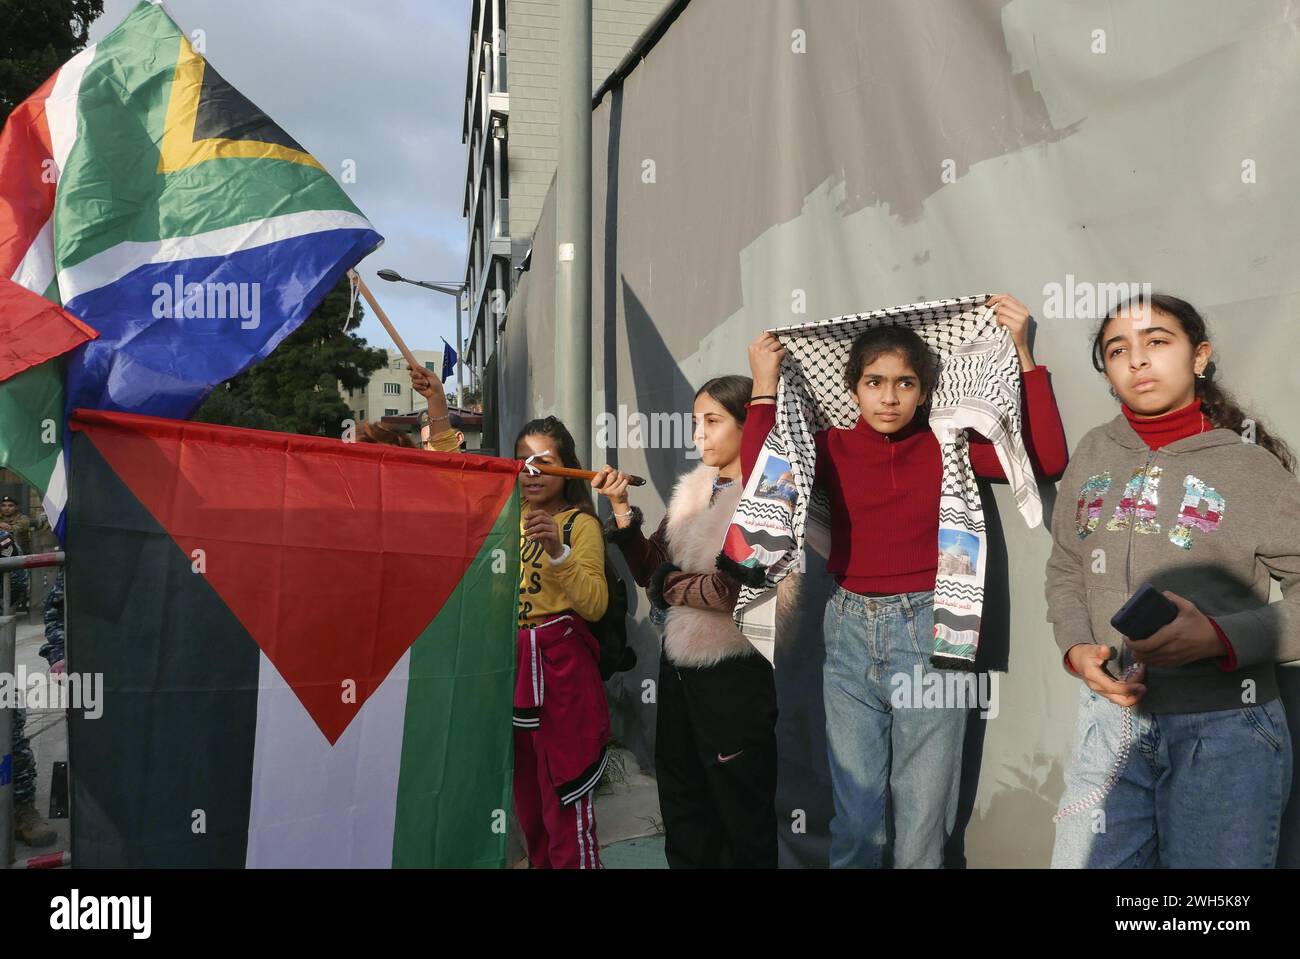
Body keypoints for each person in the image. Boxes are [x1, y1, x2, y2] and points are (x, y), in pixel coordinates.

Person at [744, 293, 1068, 868]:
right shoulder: (832, 448)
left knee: (923, 814)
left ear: (925, 390)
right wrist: (764, 387)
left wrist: (1023, 353)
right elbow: (761, 479)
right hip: (845, 627)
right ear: (852, 388)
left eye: (905, 383)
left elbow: (1045, 459)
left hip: (932, 625)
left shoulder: (949, 449)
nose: (889, 397)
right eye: (874, 382)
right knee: (856, 814)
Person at [1047, 293, 1299, 868]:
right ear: (1108, 373)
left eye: (1157, 342)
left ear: (1199, 356)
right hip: (1110, 725)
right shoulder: (1092, 453)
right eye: (1118, 350)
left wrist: (1220, 638)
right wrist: (1075, 647)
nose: (1138, 360)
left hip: (1227, 732)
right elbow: (1066, 564)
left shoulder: (1250, 466)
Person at [593, 375, 778, 868]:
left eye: (713, 421)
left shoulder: (768, 497)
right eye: (696, 423)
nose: (699, 435)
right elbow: (651, 570)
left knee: (741, 809)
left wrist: (667, 584)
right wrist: (622, 512)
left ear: (749, 424)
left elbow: (731, 591)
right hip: (679, 672)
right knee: (683, 800)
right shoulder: (693, 490)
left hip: (735, 674)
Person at [513, 415, 611, 868]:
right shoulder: (503, 521)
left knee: (564, 798)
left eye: (543, 462)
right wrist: (437, 403)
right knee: (526, 798)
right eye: (521, 461)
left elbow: (594, 605)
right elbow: (454, 484)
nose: (530, 471)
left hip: (561, 673)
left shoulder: (578, 525)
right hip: (511, 673)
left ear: (569, 468)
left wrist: (558, 552)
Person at [409, 365, 465, 451]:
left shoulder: (478, 464)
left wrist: (436, 397)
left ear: (458, 438)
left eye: (435, 442)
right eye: (425, 444)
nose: (429, 449)